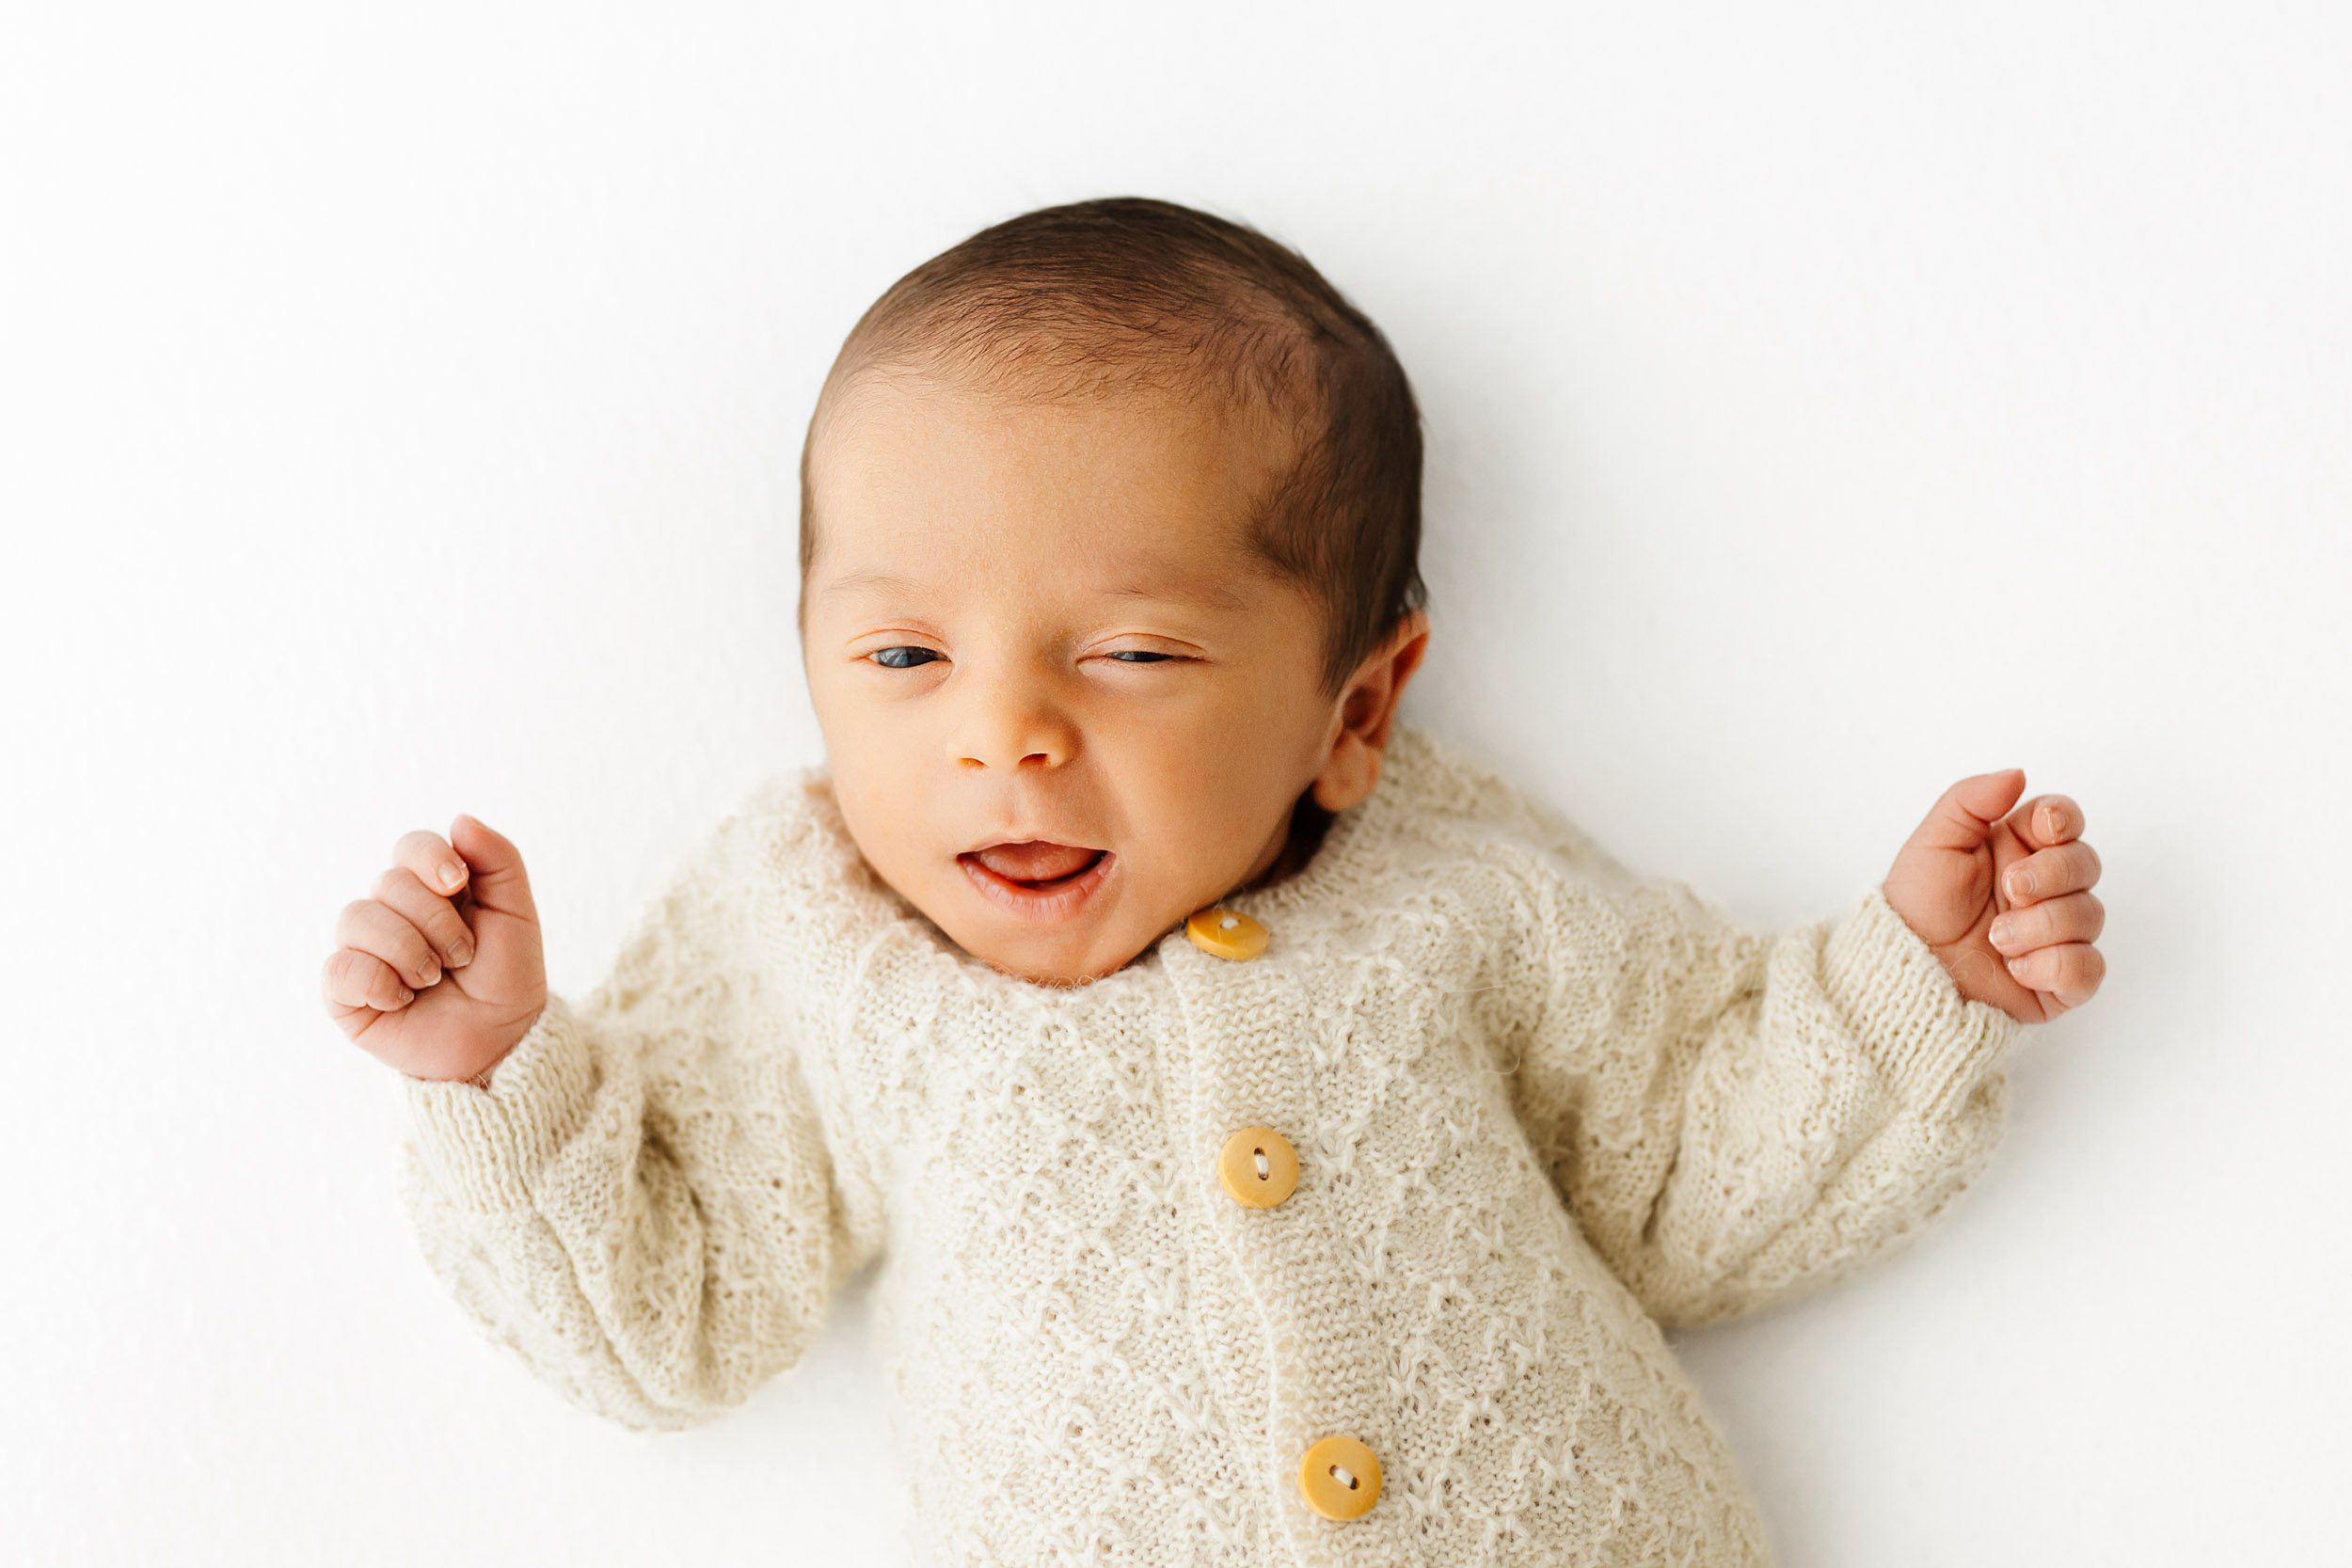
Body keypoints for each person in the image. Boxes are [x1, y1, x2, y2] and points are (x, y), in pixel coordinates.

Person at [320, 196, 2107, 1565]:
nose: (1003, 736)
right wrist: (497, 1074)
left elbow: (1687, 1185)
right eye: (901, 659)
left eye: (1133, 656)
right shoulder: (808, 928)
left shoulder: (1453, 879)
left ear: (1355, 707)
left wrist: (1910, 987)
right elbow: (674, 1320)